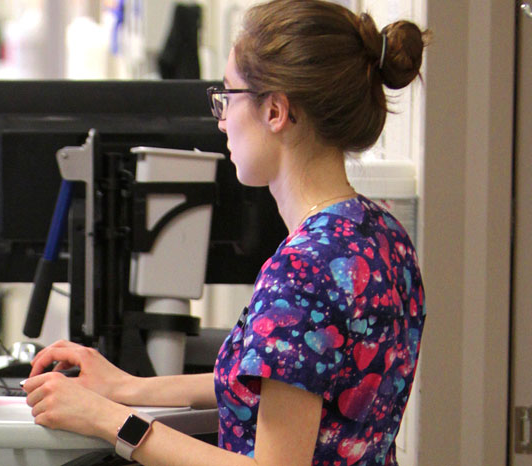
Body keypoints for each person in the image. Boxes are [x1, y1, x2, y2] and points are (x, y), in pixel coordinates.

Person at [21, 0, 429, 464]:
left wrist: (107, 419)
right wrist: (126, 387)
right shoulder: (384, 236)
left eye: (227, 97)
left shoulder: (303, 270)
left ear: (275, 111)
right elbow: (286, 388)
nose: (220, 119)